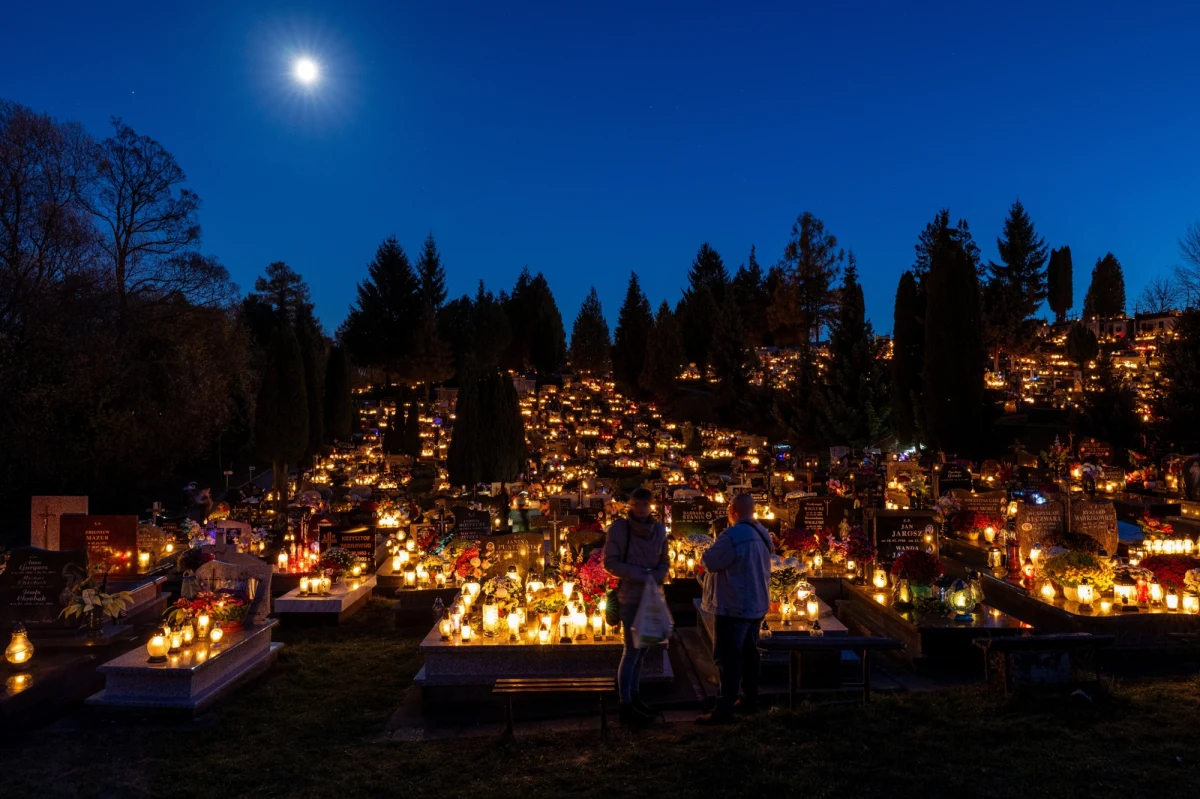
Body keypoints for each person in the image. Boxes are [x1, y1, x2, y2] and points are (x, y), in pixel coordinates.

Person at [696, 492, 774, 725]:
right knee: (750, 655)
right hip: (756, 603)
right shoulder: (761, 533)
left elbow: (710, 562)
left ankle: (723, 709)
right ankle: (749, 700)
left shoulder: (732, 535)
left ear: (733, 511)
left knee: (727, 658)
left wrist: (704, 553)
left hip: (734, 604)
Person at [603, 487, 669, 726]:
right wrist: (642, 574)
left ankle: (636, 695)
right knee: (631, 650)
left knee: (643, 650)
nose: (641, 509)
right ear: (629, 506)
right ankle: (625, 704)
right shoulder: (620, 530)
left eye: (645, 505)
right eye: (637, 505)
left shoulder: (659, 529)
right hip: (630, 597)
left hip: (651, 597)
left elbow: (665, 559)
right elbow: (610, 562)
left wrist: (659, 574)